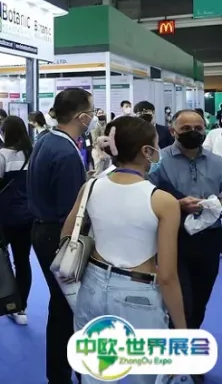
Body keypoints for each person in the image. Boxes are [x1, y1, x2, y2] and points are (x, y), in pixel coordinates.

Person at [66, 116, 186, 384]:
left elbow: (67, 234)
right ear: (146, 151)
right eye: (156, 145)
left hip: (91, 287)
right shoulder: (163, 201)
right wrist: (181, 329)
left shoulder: (91, 186)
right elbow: (167, 276)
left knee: (95, 372)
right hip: (138, 293)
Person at [149, 110, 222, 382]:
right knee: (181, 304)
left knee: (200, 302)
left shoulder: (218, 162)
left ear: (205, 130)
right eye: (186, 128)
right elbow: (147, 195)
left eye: (198, 128)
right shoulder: (158, 162)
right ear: (173, 131)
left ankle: (186, 355)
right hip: (173, 239)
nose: (193, 132)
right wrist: (176, 205)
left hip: (210, 239)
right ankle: (179, 358)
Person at [27, 87, 94, 384]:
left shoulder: (47, 139)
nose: (93, 118)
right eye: (90, 112)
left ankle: (59, 374)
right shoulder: (66, 152)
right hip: (59, 235)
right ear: (81, 117)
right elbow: (71, 211)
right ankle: (64, 374)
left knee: (61, 304)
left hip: (42, 229)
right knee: (68, 307)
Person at [0, 115, 32, 326]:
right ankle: (20, 307)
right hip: (28, 216)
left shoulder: (1, 155)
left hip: (3, 217)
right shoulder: (32, 153)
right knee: (22, 261)